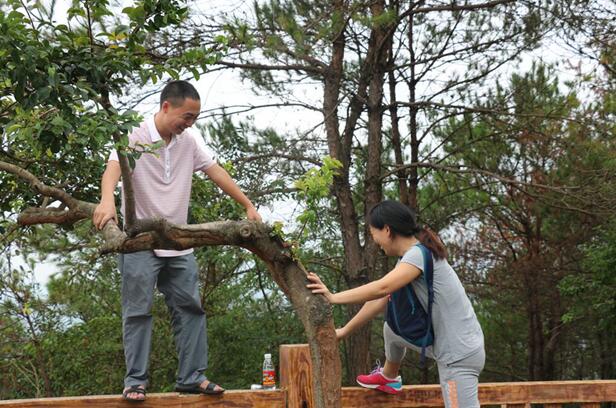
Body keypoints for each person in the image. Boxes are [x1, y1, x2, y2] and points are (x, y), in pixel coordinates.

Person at [92, 80, 262, 402]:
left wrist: (247, 204)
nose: (190, 123)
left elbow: (216, 171)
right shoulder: (136, 133)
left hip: (179, 242)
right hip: (140, 240)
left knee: (191, 309)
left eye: (194, 118)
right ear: (166, 106)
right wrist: (107, 200)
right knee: (138, 311)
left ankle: (191, 377)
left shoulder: (189, 142)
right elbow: (113, 166)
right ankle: (135, 382)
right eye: (187, 116)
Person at [306, 200, 484, 408]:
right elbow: (380, 300)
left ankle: (389, 376)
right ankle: (389, 376)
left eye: (375, 234)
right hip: (452, 348)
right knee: (392, 330)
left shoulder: (417, 256)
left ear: (387, 230)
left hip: (458, 356)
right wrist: (344, 331)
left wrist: (333, 297)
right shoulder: (410, 258)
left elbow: (381, 287)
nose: (376, 241)